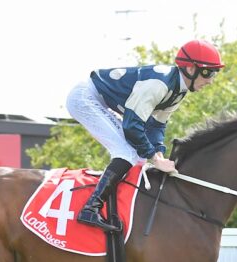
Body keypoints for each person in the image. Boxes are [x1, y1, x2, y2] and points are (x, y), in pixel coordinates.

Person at [66, 39, 224, 232]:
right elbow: (132, 125)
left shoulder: (178, 90)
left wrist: (158, 153)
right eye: (209, 72)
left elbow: (156, 126)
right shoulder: (159, 84)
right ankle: (91, 208)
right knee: (127, 153)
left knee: (138, 156)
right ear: (191, 69)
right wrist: (154, 159)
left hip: (100, 101)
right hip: (85, 97)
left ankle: (118, 207)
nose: (210, 80)